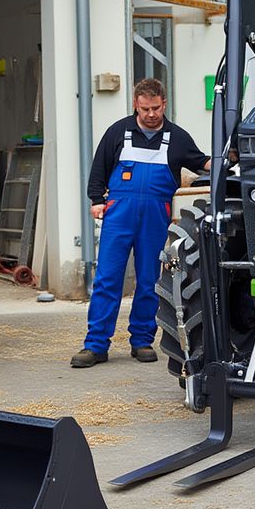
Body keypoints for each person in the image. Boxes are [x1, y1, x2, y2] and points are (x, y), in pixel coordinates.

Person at [71, 78, 211, 368]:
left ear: (164, 104)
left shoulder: (178, 138)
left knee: (149, 280)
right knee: (108, 278)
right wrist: (96, 199)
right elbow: (99, 169)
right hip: (118, 214)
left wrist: (229, 156)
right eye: (145, 108)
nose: (150, 114)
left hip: (154, 217)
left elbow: (202, 162)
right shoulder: (117, 133)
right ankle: (95, 345)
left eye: (156, 108)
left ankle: (142, 341)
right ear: (135, 104)